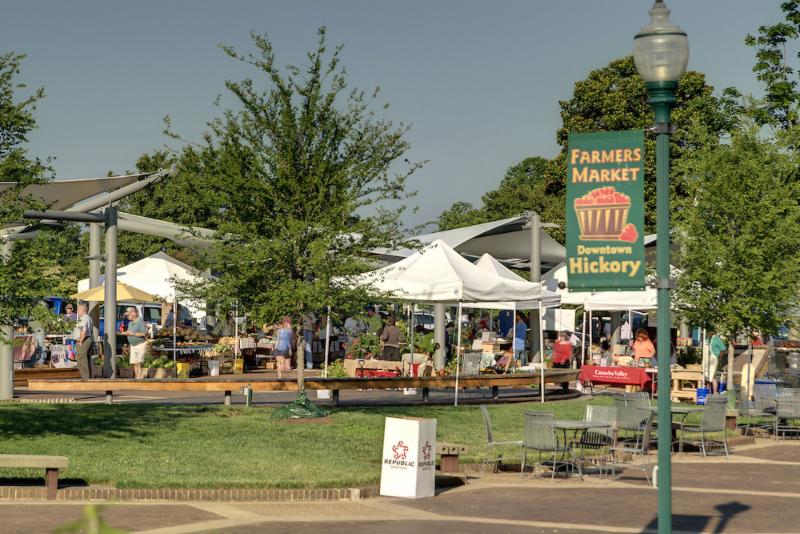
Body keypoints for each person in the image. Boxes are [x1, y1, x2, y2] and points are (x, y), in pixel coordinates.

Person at [122, 307, 147, 379]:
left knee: (139, 362)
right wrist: (126, 333)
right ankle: (137, 377)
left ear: (133, 313)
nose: (127, 316)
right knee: (134, 363)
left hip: (140, 345)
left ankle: (140, 378)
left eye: (128, 314)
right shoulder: (130, 323)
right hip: (133, 345)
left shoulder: (140, 322)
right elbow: (130, 332)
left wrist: (133, 333)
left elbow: (143, 334)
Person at [72, 303, 94, 379]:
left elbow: (83, 331)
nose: (77, 311)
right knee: (87, 359)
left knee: (82, 360)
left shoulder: (84, 319)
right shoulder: (88, 318)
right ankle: (89, 378)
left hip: (83, 340)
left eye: (78, 309)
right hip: (87, 339)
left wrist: (80, 341)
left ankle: (85, 379)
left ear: (83, 310)